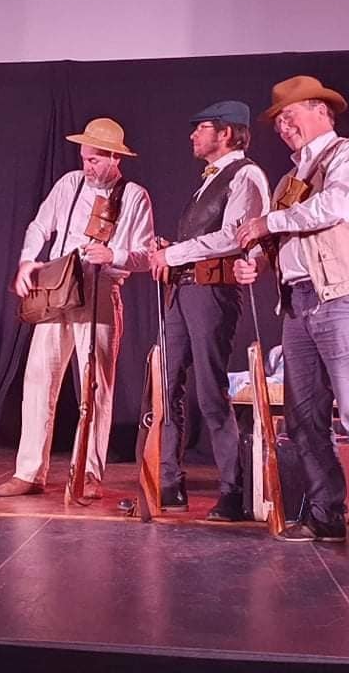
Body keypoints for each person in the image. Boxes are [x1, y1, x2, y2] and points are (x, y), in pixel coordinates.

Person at [234, 76, 349, 559]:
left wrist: (268, 222)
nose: (283, 126)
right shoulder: (289, 180)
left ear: (321, 111)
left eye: (290, 115)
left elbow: (337, 206)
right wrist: (257, 262)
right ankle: (325, 514)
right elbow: (282, 240)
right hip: (298, 302)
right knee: (304, 417)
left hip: (345, 297)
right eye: (278, 121)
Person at [0, 118, 154, 500]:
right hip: (59, 289)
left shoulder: (133, 196)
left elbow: (146, 255)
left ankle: (88, 473)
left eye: (94, 159)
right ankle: (29, 472)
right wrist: (28, 261)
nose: (87, 166)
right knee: (38, 379)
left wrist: (115, 254)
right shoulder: (69, 184)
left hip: (100, 290)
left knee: (96, 386)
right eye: (84, 158)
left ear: (114, 158)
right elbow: (39, 225)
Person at [145, 100, 270, 521]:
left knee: (210, 391)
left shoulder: (245, 174)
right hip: (183, 290)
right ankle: (169, 482)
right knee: (165, 385)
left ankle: (233, 490)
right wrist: (173, 251)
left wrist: (175, 253)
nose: (193, 135)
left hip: (212, 292)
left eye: (201, 128)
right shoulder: (211, 179)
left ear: (226, 133)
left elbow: (235, 236)